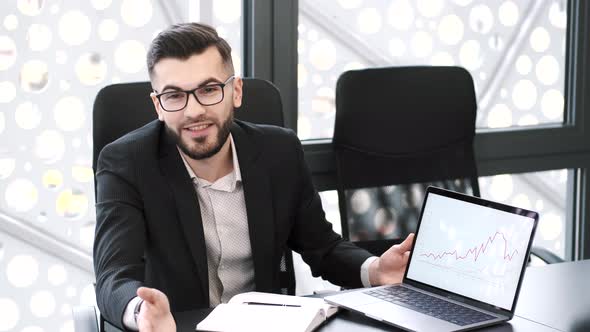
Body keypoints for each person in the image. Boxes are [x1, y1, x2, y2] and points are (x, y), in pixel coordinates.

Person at [93, 22, 415, 331]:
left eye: (209, 89)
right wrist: (141, 313)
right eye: (175, 95)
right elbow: (113, 276)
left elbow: (323, 248)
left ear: (236, 91)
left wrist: (374, 270)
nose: (193, 111)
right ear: (158, 106)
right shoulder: (127, 163)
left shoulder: (280, 152)